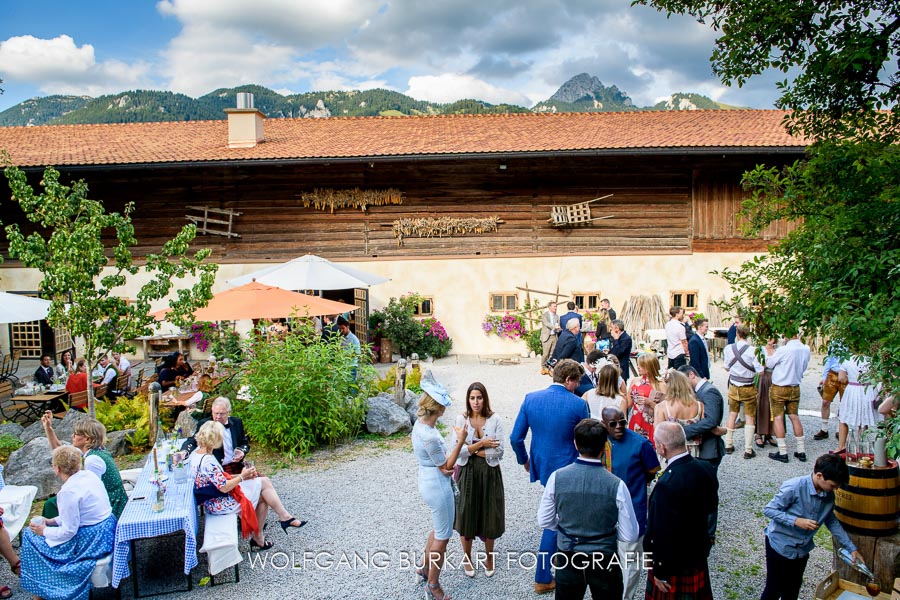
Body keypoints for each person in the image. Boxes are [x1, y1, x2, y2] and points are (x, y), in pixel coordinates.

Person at [510, 359, 590, 594]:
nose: (577, 386)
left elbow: (516, 438)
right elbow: (585, 439)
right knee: (555, 520)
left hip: (543, 465)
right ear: (568, 380)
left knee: (558, 513)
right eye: (576, 382)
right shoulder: (577, 405)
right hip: (569, 466)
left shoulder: (531, 398)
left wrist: (524, 460)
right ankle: (543, 576)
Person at [537, 418, 638, 600]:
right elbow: (629, 534)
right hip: (604, 558)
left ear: (575, 444)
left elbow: (544, 520)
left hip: (568, 554)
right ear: (604, 446)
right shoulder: (617, 485)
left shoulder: (556, 478)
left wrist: (566, 526)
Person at [189, 421, 305, 552]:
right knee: (264, 493)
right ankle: (269, 529)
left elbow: (217, 479)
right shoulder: (207, 461)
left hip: (213, 498)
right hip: (218, 504)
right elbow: (223, 487)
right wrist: (242, 477)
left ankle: (276, 524)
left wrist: (243, 475)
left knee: (264, 484)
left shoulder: (196, 454)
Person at [21, 445, 117, 600]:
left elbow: (69, 531)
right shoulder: (89, 476)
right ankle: (43, 589)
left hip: (91, 541)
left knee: (29, 536)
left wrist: (43, 531)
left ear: (57, 469)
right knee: (38, 536)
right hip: (105, 531)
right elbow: (84, 513)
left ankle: (45, 588)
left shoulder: (67, 492)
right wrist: (51, 521)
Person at [761, 454, 863, 600]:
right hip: (780, 547)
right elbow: (769, 510)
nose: (835, 489)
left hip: (801, 550)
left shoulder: (828, 494)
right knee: (774, 589)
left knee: (792, 590)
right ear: (820, 475)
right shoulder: (794, 486)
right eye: (833, 485)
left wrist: (851, 547)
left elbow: (831, 521)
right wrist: (796, 521)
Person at [644, 422, 718, 600]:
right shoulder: (706, 468)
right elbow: (711, 509)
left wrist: (660, 570)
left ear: (662, 448)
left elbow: (661, 531)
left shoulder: (667, 483)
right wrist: (708, 541)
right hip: (697, 552)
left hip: (673, 562)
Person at [412, 380, 467, 600]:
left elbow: (442, 465)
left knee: (437, 529)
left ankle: (424, 569)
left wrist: (444, 465)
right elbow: (446, 466)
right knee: (443, 537)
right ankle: (433, 585)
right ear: (440, 409)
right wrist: (460, 441)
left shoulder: (421, 425)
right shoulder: (430, 436)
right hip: (437, 486)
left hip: (428, 479)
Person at [600, 407, 660, 600]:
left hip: (632, 510)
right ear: (604, 425)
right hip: (605, 513)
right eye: (613, 424)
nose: (619, 427)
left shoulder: (640, 443)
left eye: (622, 422)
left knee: (631, 560)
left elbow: (652, 470)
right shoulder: (599, 442)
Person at [454, 382, 505, 578]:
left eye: (479, 397)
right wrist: (483, 444)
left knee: (489, 513)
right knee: (466, 513)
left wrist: (472, 447)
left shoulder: (495, 419)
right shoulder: (462, 419)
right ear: (468, 399)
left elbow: (499, 452)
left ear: (485, 399)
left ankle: (489, 557)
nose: (476, 402)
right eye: (472, 398)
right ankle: (467, 557)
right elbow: (458, 451)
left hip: (489, 473)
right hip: (467, 472)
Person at [41, 412, 128, 519]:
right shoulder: (97, 450)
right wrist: (48, 428)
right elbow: (60, 452)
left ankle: (55, 531)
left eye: (76, 434)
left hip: (111, 505)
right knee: (54, 502)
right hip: (112, 499)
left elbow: (93, 491)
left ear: (87, 439)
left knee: (52, 504)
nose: (72, 436)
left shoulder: (92, 460)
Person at [678, 365, 727, 543]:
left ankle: (709, 533)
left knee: (708, 492)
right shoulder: (701, 392)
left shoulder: (709, 392)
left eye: (685, 382)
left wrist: (684, 430)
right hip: (702, 448)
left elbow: (711, 421)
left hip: (709, 450)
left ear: (692, 374)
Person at [766, 334, 811, 463]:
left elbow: (769, 363)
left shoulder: (783, 350)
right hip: (795, 386)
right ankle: (801, 450)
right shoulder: (806, 349)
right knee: (794, 416)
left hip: (780, 386)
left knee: (778, 417)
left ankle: (783, 451)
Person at [723, 324, 764, 458]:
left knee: (732, 415)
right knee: (749, 417)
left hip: (734, 386)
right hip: (748, 387)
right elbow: (760, 371)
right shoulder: (754, 350)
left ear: (737, 334)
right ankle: (748, 449)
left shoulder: (729, 348)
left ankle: (728, 445)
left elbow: (726, 368)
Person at [183, 397, 251, 475]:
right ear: (212, 411)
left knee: (261, 479)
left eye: (221, 414)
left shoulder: (237, 422)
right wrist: (184, 451)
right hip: (217, 468)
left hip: (237, 466)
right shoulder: (205, 424)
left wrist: (241, 451)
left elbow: (244, 442)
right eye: (215, 413)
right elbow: (193, 441)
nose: (218, 417)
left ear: (229, 412)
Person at [835, 356, 881, 454]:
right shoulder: (872, 359)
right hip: (867, 389)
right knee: (863, 420)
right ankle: (862, 447)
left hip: (852, 389)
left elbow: (841, 378)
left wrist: (851, 377)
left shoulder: (847, 358)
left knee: (843, 417)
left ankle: (841, 446)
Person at [654, 370, 704, 457]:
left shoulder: (662, 407)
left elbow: (658, 435)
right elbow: (703, 428)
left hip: (672, 453)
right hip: (695, 452)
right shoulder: (699, 405)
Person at [627, 353, 667, 442]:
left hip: (652, 421)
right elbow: (628, 403)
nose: (638, 367)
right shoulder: (635, 381)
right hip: (636, 419)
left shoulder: (660, 384)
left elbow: (665, 409)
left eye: (641, 365)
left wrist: (650, 403)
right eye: (638, 365)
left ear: (649, 367)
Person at [814, 342, 847, 441]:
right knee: (825, 401)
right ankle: (824, 429)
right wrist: (824, 377)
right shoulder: (834, 342)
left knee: (844, 403)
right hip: (832, 373)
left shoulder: (852, 342)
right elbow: (829, 359)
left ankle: (839, 429)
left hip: (845, 375)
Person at [336, 316, 361, 380]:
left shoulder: (354, 339)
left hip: (351, 366)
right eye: (340, 329)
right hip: (343, 366)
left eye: (343, 328)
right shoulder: (342, 337)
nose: (341, 330)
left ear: (348, 327)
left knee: (352, 387)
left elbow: (358, 353)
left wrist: (346, 355)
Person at [540, 301, 561, 375]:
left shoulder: (557, 316)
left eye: (556, 306)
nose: (555, 308)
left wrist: (559, 329)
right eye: (554, 306)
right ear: (549, 307)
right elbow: (546, 324)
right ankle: (543, 367)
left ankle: (550, 368)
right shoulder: (544, 315)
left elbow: (558, 325)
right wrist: (554, 327)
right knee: (545, 354)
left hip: (554, 336)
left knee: (552, 354)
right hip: (547, 337)